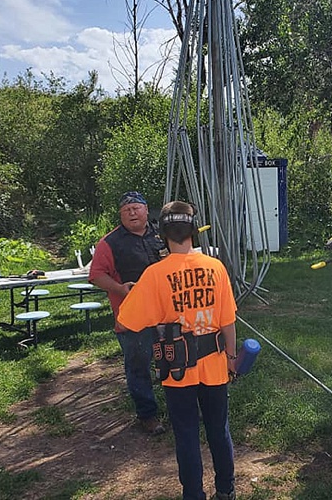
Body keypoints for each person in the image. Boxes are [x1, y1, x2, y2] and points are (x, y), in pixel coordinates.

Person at [118, 201, 237, 500]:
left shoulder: (155, 275)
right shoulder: (216, 267)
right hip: (215, 363)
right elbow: (228, 322)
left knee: (186, 434)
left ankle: (193, 494)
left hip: (177, 368)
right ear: (193, 231)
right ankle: (226, 490)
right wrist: (232, 358)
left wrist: (138, 294)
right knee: (218, 429)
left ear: (163, 233)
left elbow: (126, 321)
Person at [89, 191, 167, 435]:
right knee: (138, 365)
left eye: (136, 208)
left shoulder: (163, 234)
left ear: (146, 210)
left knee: (174, 359)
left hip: (167, 312)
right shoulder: (109, 242)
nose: (132, 213)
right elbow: (96, 275)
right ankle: (147, 415)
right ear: (121, 215)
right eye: (126, 210)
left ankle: (181, 407)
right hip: (132, 316)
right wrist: (119, 289)